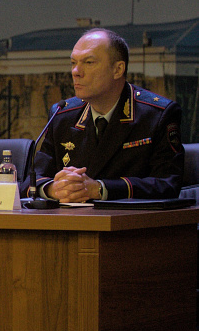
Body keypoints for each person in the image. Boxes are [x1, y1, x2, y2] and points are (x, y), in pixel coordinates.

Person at [33, 28, 183, 201]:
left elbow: (167, 184)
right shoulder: (62, 115)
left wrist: (100, 189)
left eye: (89, 62)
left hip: (127, 217)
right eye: (73, 63)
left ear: (118, 69)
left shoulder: (157, 115)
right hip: (70, 217)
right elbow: (33, 178)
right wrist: (54, 189)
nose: (76, 71)